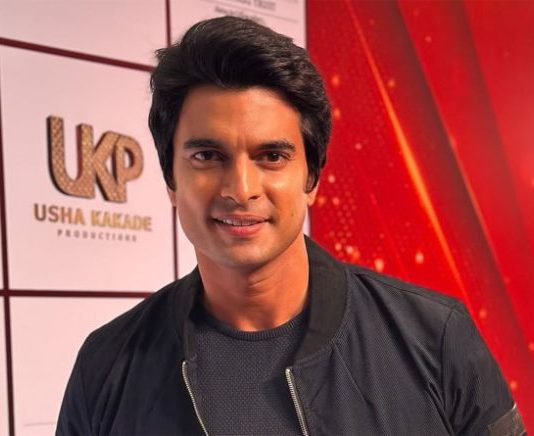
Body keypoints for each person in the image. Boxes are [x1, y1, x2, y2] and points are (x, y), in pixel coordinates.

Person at [57, 16, 525, 436]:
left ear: (311, 178)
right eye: (208, 156)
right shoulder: (106, 365)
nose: (241, 189)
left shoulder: (434, 337)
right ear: (171, 181)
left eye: (272, 156)